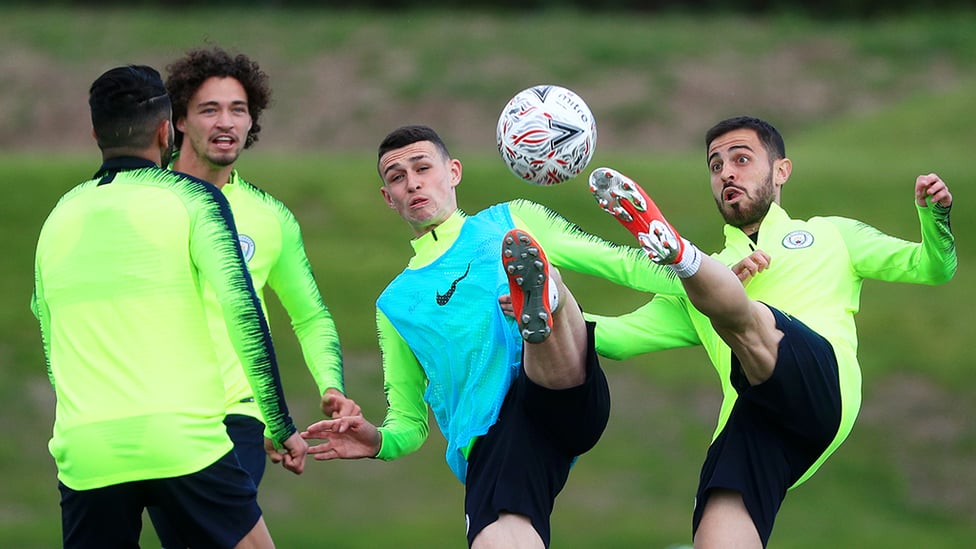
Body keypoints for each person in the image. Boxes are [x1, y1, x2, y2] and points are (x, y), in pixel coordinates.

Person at [586, 115, 957, 548]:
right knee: (717, 522)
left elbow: (934, 268)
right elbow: (616, 340)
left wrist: (936, 219)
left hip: (821, 379)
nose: (726, 171)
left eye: (741, 158)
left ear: (781, 171)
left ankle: (687, 261)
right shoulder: (699, 288)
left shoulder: (831, 234)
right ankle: (695, 273)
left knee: (747, 311)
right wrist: (550, 319)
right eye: (716, 165)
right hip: (756, 419)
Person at [30, 65, 307, 549]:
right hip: (181, 442)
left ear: (96, 133)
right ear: (166, 130)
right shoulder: (192, 199)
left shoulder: (58, 215)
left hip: (88, 449)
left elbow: (51, 342)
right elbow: (244, 316)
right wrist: (280, 424)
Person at [301, 124, 612, 548]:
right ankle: (541, 301)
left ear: (454, 172)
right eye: (396, 177)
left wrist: (693, 271)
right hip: (499, 439)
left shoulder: (506, 222)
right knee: (498, 537)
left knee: (538, 275)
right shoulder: (395, 304)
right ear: (387, 198)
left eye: (422, 167)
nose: (412, 183)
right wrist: (377, 441)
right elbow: (408, 422)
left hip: (561, 386)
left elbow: (618, 264)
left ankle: (543, 299)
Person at [146, 45, 359, 548]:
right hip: (155, 414)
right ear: (178, 120)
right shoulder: (144, 202)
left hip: (235, 417)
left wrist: (331, 385)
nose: (227, 122)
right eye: (210, 109)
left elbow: (309, 316)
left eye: (238, 110)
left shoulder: (271, 217)